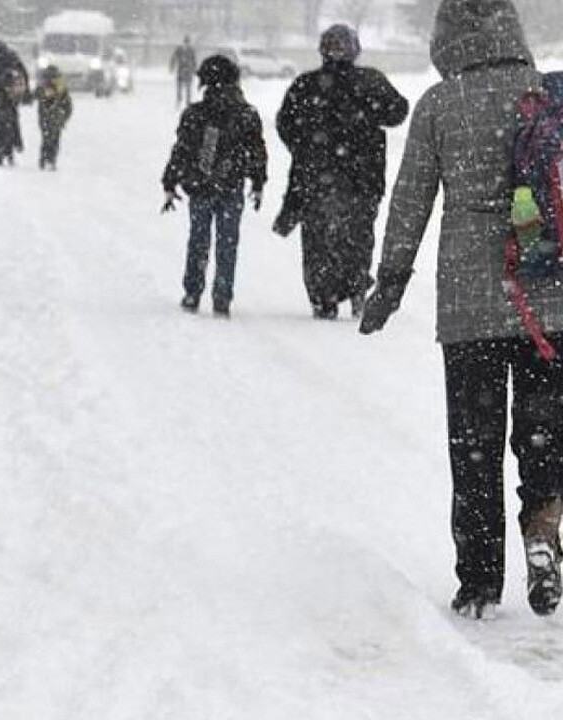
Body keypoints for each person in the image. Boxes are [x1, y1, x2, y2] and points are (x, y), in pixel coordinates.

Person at [359, 0, 563, 620]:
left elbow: (411, 200)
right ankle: (543, 532)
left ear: (447, 37)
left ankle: (478, 583)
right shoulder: (545, 94)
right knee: (544, 434)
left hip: (471, 303)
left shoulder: (441, 105)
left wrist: (390, 281)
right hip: (546, 298)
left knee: (474, 445)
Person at [277, 24, 409, 320]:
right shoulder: (370, 81)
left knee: (318, 241)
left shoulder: (306, 85)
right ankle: (355, 287)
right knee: (357, 237)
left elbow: (285, 124)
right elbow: (398, 111)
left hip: (317, 178)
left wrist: (306, 148)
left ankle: (324, 297)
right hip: (362, 177)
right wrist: (369, 115)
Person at [161, 55, 267, 318]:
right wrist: (258, 181)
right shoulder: (247, 114)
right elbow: (257, 151)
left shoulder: (195, 114)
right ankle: (222, 295)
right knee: (227, 243)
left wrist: (170, 180)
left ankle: (192, 291)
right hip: (231, 186)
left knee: (198, 240)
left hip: (200, 186)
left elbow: (182, 150)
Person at [34, 65, 73, 171]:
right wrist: (65, 117)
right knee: (53, 139)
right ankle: (50, 159)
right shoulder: (61, 89)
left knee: (47, 139)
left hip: (47, 118)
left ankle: (45, 159)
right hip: (56, 118)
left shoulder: (44, 87)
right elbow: (68, 105)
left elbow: (35, 96)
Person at [169, 37, 197, 109]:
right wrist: (172, 66)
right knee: (179, 87)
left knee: (188, 88)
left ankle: (187, 101)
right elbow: (174, 58)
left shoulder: (191, 50)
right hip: (181, 70)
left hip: (188, 71)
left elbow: (194, 60)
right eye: (185, 42)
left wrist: (194, 69)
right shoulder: (179, 49)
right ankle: (179, 100)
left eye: (187, 42)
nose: (186, 44)